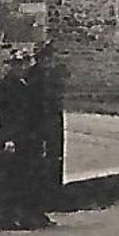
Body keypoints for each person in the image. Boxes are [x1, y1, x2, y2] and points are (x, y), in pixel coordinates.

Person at [0, 51, 48, 230]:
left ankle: (28, 215)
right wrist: (9, 139)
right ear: (12, 66)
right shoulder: (5, 86)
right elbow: (5, 115)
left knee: (27, 176)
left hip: (29, 139)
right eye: (19, 64)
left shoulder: (28, 86)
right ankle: (7, 217)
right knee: (9, 178)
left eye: (25, 64)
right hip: (12, 138)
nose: (23, 68)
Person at [29, 40, 66, 213]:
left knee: (54, 161)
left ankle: (52, 200)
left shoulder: (54, 76)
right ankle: (40, 204)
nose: (50, 61)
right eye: (46, 57)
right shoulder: (34, 76)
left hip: (53, 123)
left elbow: (57, 99)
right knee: (40, 164)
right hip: (40, 124)